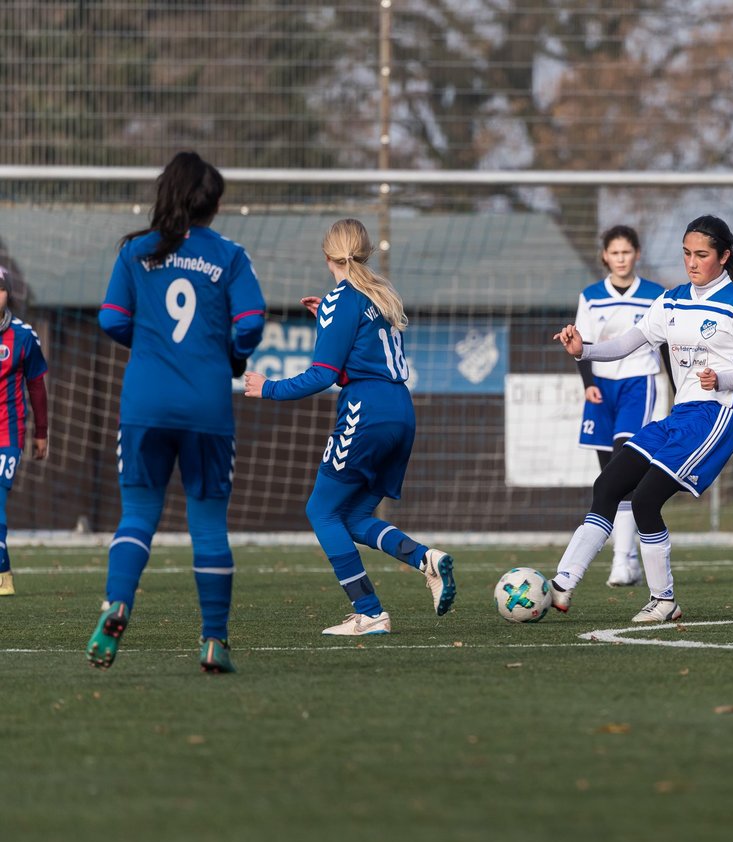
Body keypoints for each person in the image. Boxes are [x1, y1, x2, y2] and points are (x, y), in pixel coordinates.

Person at [87, 151, 266, 673]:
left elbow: (111, 319)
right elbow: (251, 324)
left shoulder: (135, 252)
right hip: (207, 404)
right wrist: (230, 358)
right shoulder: (230, 255)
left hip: (145, 401)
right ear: (214, 205)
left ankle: (116, 604)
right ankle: (214, 643)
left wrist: (148, 344)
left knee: (138, 515)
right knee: (207, 523)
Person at [550, 214, 733, 623]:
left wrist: (722, 378)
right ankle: (561, 585)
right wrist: (584, 351)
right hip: (681, 415)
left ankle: (663, 599)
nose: (692, 262)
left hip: (719, 416)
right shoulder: (671, 299)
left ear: (723, 257)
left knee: (648, 498)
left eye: (701, 254)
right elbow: (627, 344)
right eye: (686, 253)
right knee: (609, 483)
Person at [242, 218, 456, 636]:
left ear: (327, 257)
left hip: (367, 412)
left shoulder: (342, 299)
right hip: (400, 410)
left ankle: (369, 611)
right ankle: (424, 559)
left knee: (321, 511)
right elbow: (358, 360)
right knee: (353, 514)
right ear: (366, 252)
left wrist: (268, 387)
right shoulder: (379, 295)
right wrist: (327, 316)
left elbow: (323, 375)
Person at [573, 225, 667, 587]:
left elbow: (664, 348)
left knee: (622, 469)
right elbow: (582, 344)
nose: (621, 259)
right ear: (605, 257)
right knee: (606, 478)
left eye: (627, 252)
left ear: (637, 254)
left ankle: (622, 560)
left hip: (637, 385)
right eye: (615, 253)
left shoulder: (656, 296)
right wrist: (588, 385)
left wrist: (676, 390)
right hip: (602, 390)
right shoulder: (592, 296)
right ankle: (626, 556)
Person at [0, 272, 49, 596]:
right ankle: (3, 568)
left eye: (0, 288)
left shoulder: (23, 336)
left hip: (8, 433)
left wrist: (41, 432)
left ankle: (2, 579)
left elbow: (36, 386)